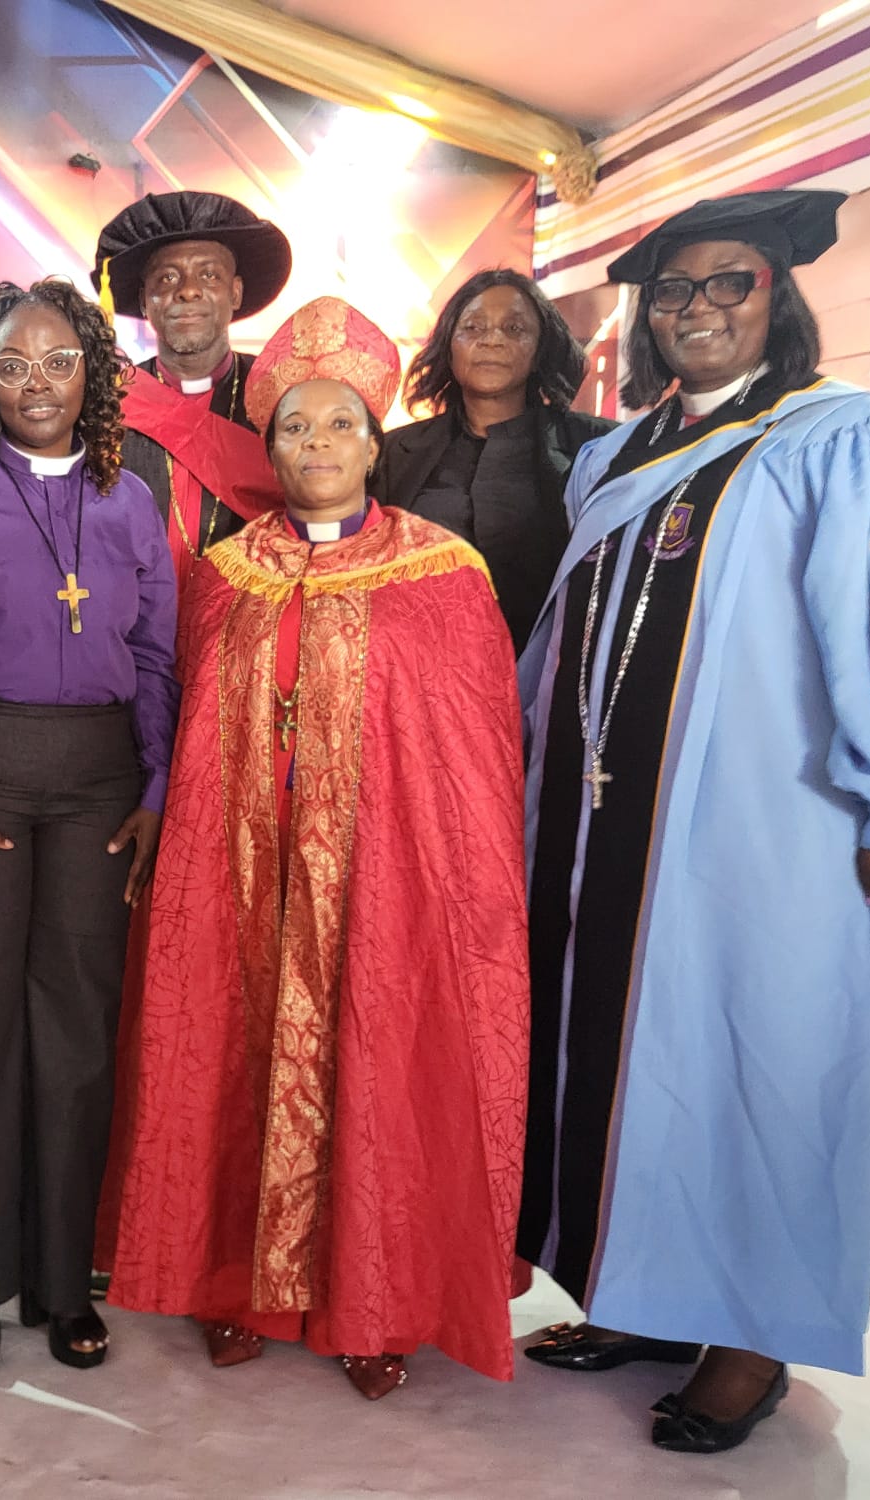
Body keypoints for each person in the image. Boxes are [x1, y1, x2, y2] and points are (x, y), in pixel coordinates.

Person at [518, 190, 870, 1453]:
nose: (697, 308)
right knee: (632, 1064)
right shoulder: (614, 457)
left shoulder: (849, 439)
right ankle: (640, 1296)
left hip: (775, 822)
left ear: (777, 295)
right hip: (606, 826)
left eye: (728, 283)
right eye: (673, 290)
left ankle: (751, 1338)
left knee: (762, 1063)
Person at [99, 297, 529, 1401]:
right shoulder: (225, 573)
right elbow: (195, 730)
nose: (317, 445)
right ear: (271, 446)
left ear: (375, 443)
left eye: (340, 424)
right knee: (234, 1064)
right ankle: (233, 1287)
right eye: (294, 426)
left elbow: (475, 761)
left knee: (376, 1070)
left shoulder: (443, 573)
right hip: (246, 872)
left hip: (384, 880)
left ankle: (376, 1304)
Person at [0, 278, 179, 1375]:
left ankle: (62, 1284)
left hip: (100, 784)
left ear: (93, 374)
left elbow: (155, 652)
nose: (38, 384)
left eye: (60, 362)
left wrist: (156, 787)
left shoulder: (129, 496)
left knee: (75, 1034)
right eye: (12, 365)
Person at [373, 268, 614, 648]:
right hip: (419, 669)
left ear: (540, 349)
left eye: (514, 329)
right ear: (448, 346)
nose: (492, 340)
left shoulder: (599, 447)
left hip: (546, 670)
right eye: (473, 327)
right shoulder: (392, 454)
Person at [92, 190, 289, 592]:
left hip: (246, 610)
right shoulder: (105, 404)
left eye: (209, 275)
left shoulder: (281, 398)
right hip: (135, 615)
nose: (188, 290)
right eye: (167, 278)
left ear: (235, 293)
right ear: (145, 301)